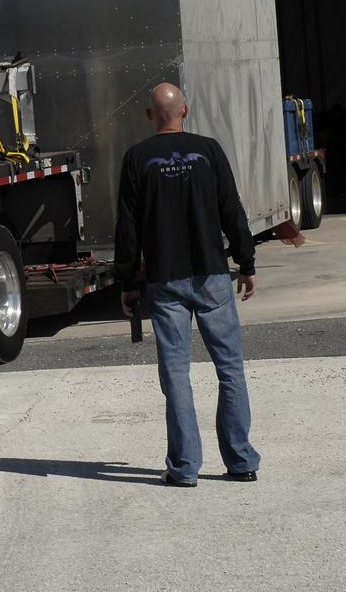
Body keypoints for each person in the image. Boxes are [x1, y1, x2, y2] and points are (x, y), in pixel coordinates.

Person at [113, 83, 261, 487]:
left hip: (164, 280)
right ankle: (241, 460)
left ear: (149, 115)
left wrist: (126, 281)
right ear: (186, 111)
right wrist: (246, 262)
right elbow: (231, 209)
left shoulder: (136, 159)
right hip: (212, 274)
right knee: (229, 369)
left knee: (176, 374)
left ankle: (184, 468)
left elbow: (127, 226)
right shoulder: (209, 151)